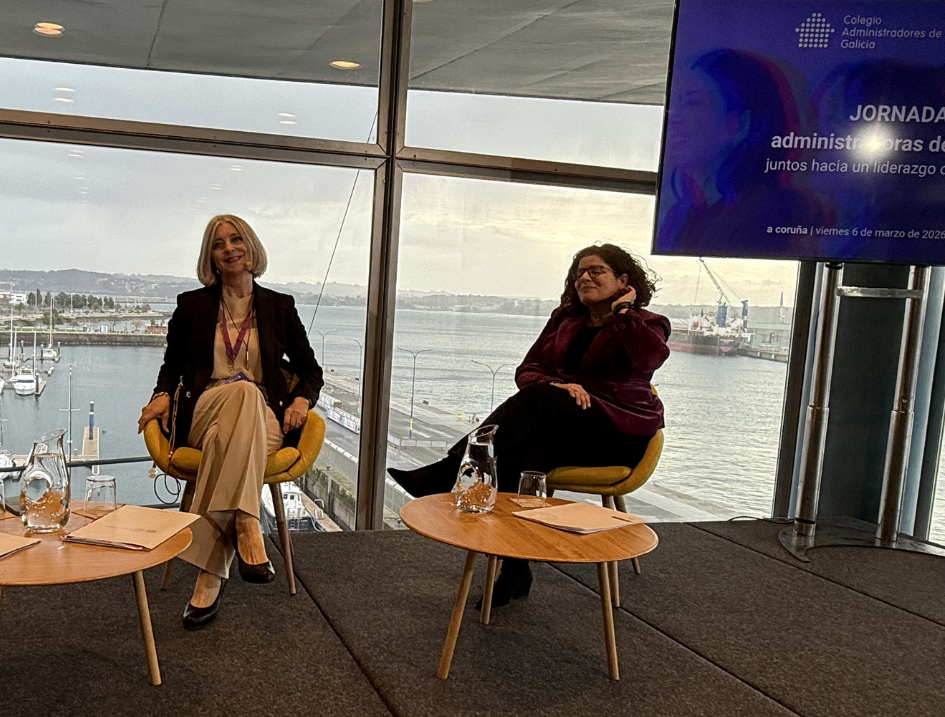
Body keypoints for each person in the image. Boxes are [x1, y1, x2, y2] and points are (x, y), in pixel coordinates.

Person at [388, 244, 669, 608]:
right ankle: (516, 571)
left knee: (541, 399)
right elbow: (527, 370)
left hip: (617, 433)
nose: (584, 277)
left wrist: (623, 312)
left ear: (623, 280)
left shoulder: (646, 323)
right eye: (579, 272)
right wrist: (558, 386)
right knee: (522, 454)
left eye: (596, 271)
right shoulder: (564, 319)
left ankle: (453, 470)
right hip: (564, 429)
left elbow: (651, 357)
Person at [137, 214, 322, 630]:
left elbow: (311, 370)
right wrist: (161, 396)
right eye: (219, 244)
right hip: (207, 409)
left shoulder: (280, 306)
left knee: (238, 417)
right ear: (212, 258)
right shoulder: (192, 306)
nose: (229, 248)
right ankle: (247, 523)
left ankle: (208, 574)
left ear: (251, 248)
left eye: (236, 239)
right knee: (239, 392)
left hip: (263, 422)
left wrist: (302, 400)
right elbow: (170, 368)